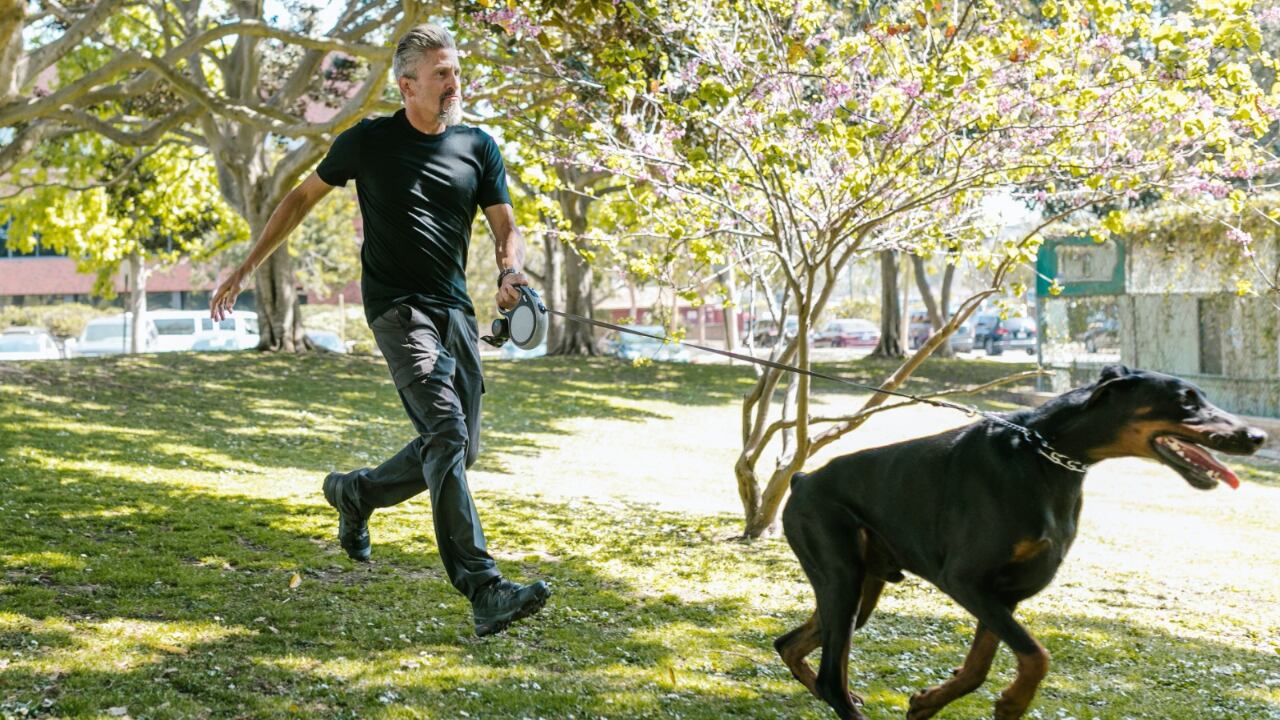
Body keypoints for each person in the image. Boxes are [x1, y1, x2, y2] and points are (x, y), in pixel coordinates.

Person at [209, 23, 549, 637]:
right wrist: (244, 267)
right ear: (408, 84)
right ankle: (484, 588)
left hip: (454, 313)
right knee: (446, 431)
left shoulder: (479, 147)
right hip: (397, 309)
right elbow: (298, 199)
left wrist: (510, 270)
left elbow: (505, 225)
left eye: (455, 71)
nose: (454, 82)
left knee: (457, 450)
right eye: (441, 73)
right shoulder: (368, 142)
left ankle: (356, 493)